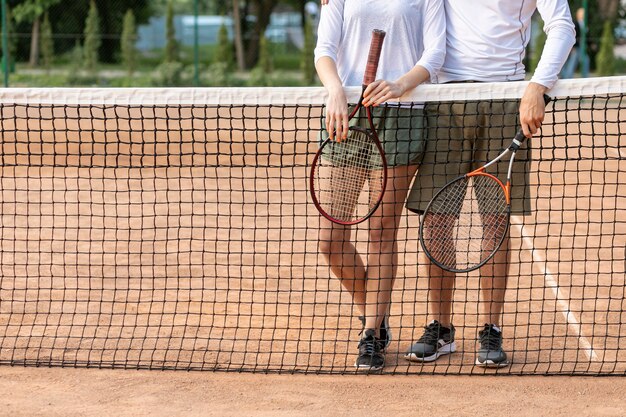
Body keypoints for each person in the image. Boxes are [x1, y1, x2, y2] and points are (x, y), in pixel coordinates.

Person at [402, 1, 575, 368]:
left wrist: (537, 86)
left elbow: (562, 26)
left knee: (495, 222)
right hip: (444, 98)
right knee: (436, 221)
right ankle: (441, 327)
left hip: (505, 97)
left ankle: (491, 328)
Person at [314, 0, 445, 371]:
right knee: (329, 240)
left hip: (402, 118)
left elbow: (435, 53)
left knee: (381, 231)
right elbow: (324, 49)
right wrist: (336, 89)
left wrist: (401, 84)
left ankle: (371, 335)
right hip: (347, 116)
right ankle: (375, 313)